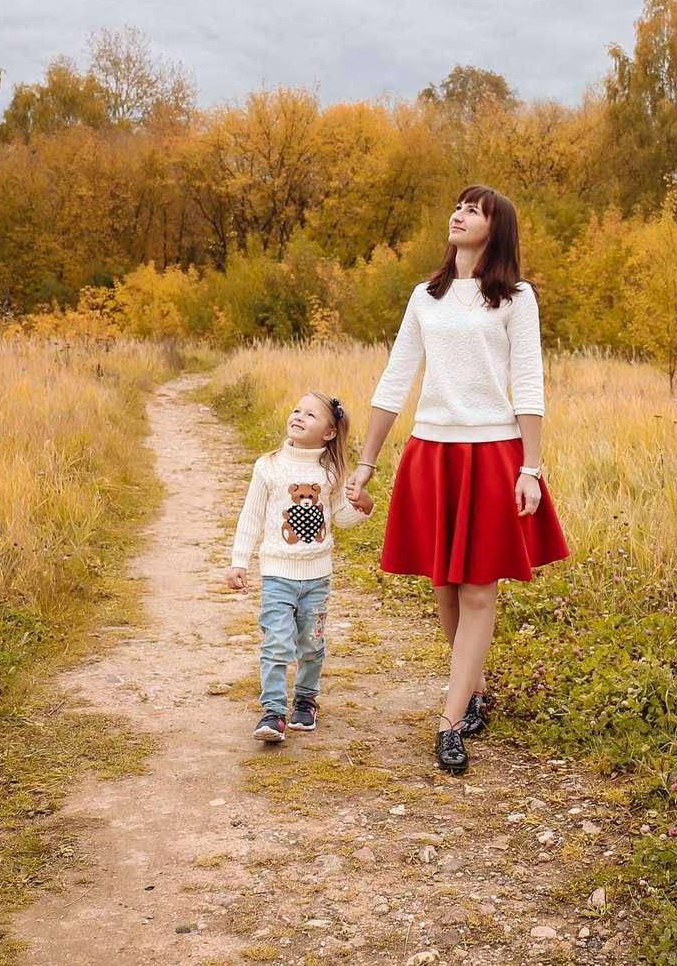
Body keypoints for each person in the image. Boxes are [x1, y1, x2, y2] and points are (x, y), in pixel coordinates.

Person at [347, 184, 568, 775]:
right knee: (444, 584)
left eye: (474, 210)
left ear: (496, 230)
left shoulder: (516, 300)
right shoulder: (427, 295)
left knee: (476, 588)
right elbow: (395, 382)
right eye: (458, 206)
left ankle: (450, 723)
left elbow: (529, 385)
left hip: (493, 452)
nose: (460, 214)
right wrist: (366, 463)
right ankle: (472, 692)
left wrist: (531, 468)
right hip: (433, 451)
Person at [226, 391, 374, 743]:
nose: (298, 416)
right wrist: (239, 561)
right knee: (276, 642)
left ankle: (306, 700)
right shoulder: (269, 466)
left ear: (329, 432)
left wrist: (365, 505)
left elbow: (341, 517)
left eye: (310, 414)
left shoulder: (331, 472)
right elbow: (251, 516)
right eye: (296, 410)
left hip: (317, 577)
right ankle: (273, 711)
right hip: (278, 573)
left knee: (311, 643)